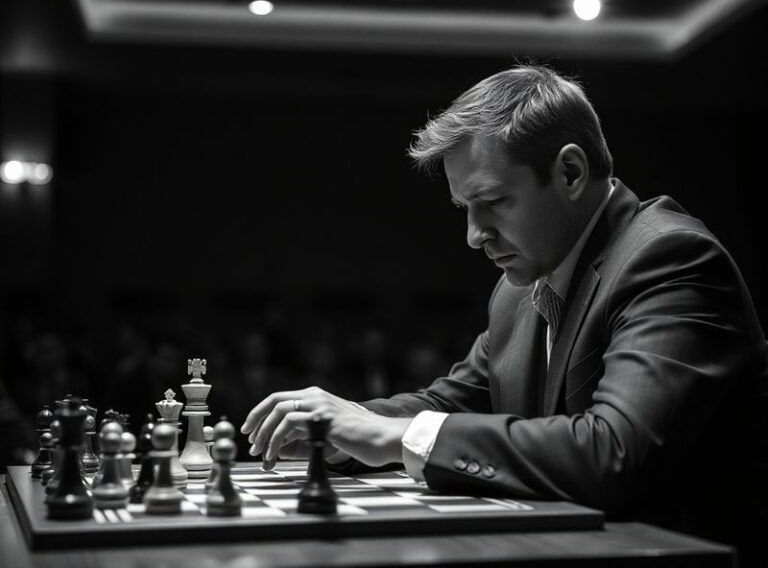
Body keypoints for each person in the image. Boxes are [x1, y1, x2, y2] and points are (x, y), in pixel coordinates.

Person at [240, 65, 768, 562]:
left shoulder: (671, 258)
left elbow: (614, 454)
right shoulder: (519, 291)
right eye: (464, 209)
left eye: (492, 201)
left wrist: (394, 436)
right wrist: (342, 424)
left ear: (570, 171)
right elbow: (449, 403)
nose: (474, 235)